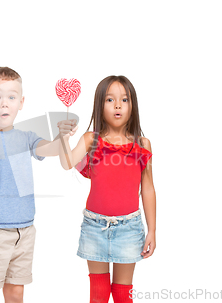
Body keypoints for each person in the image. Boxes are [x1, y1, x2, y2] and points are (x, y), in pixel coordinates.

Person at [0, 66, 76, 303]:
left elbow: (50, 149)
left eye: (11, 97)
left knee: (16, 292)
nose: (4, 104)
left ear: (21, 102)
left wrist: (63, 137)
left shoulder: (26, 137)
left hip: (25, 231)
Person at [57, 75, 156, 303]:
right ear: (99, 105)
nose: (118, 105)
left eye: (125, 99)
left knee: (123, 295)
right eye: (110, 100)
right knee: (99, 294)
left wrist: (152, 230)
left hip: (129, 228)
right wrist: (62, 137)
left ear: (133, 105)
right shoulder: (91, 139)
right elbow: (67, 163)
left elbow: (148, 189)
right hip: (95, 226)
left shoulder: (142, 144)